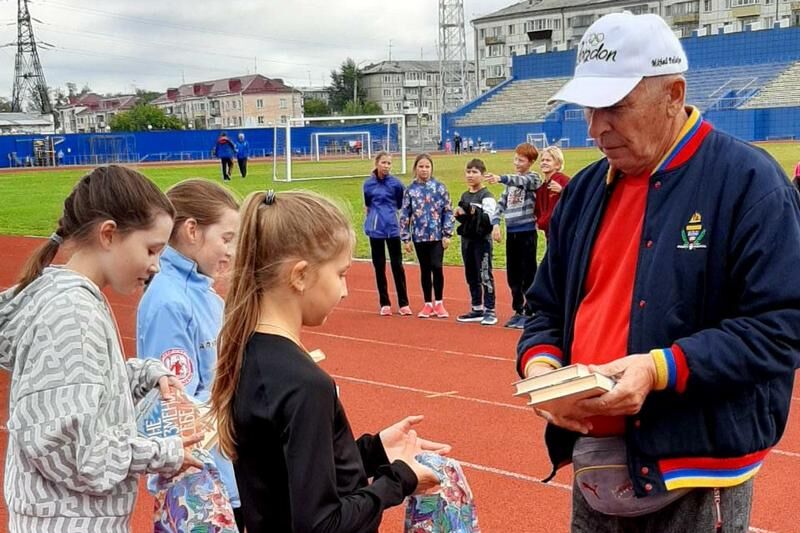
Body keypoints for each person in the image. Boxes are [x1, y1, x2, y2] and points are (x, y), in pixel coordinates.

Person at [517, 12, 800, 532]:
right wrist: (542, 371)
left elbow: (782, 324)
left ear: (674, 94)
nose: (596, 127)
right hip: (595, 464)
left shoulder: (749, 181)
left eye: (616, 106)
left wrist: (659, 368)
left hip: (697, 472)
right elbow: (546, 305)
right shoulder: (584, 191)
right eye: (589, 108)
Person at [209, 190, 450, 533]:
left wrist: (375, 450)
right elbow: (322, 525)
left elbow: (291, 474)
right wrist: (399, 479)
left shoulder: (248, 352)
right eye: (340, 274)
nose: (345, 290)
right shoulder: (305, 384)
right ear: (300, 275)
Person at [0, 165, 202, 532]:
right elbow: (75, 452)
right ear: (108, 234)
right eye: (151, 250)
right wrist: (164, 452)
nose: (156, 266)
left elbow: (81, 387)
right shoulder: (72, 314)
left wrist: (142, 374)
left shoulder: (69, 300)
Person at [136, 179, 242, 530]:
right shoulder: (169, 301)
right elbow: (176, 406)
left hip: (226, 471)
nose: (232, 251)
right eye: (226, 239)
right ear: (192, 231)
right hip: (202, 485)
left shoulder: (205, 294)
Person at [486, 143, 543, 329]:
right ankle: (518, 309)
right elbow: (501, 204)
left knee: (528, 272)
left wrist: (501, 178)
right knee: (513, 274)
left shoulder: (533, 178)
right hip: (512, 234)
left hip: (527, 232)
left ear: (531, 162)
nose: (517, 163)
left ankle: (530, 310)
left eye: (521, 160)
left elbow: (522, 181)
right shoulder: (510, 185)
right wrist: (496, 223)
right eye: (515, 159)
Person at [400, 154, 455, 318]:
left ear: (432, 168)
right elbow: (405, 214)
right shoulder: (410, 190)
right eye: (421, 166)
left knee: (437, 267)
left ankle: (439, 302)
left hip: (437, 236)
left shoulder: (440, 188)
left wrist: (447, 233)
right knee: (424, 269)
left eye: (427, 166)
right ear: (416, 168)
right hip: (419, 236)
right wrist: (406, 238)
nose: (424, 170)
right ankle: (427, 304)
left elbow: (448, 211)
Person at [363, 151, 412, 316]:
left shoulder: (396, 184)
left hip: (392, 228)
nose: (386, 166)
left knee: (397, 266)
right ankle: (384, 303)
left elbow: (400, 204)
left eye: (389, 163)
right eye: (383, 162)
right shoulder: (368, 184)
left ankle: (404, 303)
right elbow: (368, 204)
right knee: (379, 266)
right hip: (375, 229)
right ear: (377, 163)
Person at [455, 159, 498, 326]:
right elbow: (467, 221)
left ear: (482, 174)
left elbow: (488, 220)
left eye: (474, 172)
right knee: (471, 274)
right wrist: (460, 215)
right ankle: (477, 307)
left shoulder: (486, 196)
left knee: (485, 274)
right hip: (467, 241)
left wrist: (473, 211)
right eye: (468, 172)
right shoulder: (465, 196)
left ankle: (490, 309)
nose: (470, 175)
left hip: (482, 242)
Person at [535, 146, 570, 240]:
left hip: (563, 232)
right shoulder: (542, 187)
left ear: (557, 165)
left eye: (548, 160)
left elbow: (576, 199)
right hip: (550, 232)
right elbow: (538, 208)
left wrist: (562, 191)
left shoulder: (563, 180)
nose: (544, 162)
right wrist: (540, 221)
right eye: (542, 160)